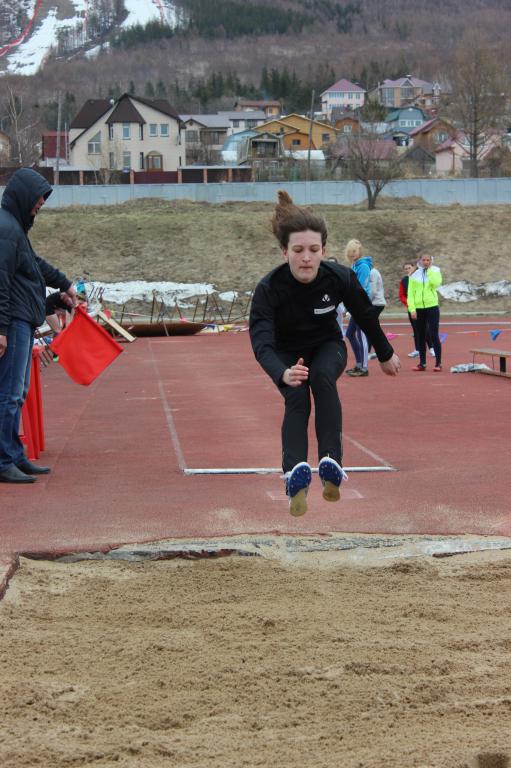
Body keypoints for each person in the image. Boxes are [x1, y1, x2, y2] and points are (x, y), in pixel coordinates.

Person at [249, 191, 400, 516]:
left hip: (327, 346)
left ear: (324, 251)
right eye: (298, 250)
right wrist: (281, 372)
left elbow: (364, 314)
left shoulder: (339, 277)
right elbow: (261, 341)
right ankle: (295, 477)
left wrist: (386, 353)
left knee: (321, 379)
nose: (306, 258)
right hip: (286, 352)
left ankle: (331, 463)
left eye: (314, 250)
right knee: (297, 396)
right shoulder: (269, 289)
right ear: (284, 251)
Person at [0, 168, 77, 484]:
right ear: (24, 197)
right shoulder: (6, 230)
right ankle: (4, 460)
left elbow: (35, 266)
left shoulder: (14, 229)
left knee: (17, 392)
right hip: (13, 321)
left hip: (21, 320)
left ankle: (14, 455)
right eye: (37, 202)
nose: (38, 208)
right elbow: (1, 283)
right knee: (10, 393)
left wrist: (64, 285)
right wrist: (1, 329)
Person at [407, 251, 443, 372]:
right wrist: (412, 309)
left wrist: (430, 270)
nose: (426, 262)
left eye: (428, 260)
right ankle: (422, 363)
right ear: (420, 261)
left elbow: (436, 283)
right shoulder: (414, 275)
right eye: (424, 260)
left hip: (432, 307)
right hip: (418, 309)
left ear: (431, 261)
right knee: (420, 335)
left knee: (434, 334)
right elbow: (410, 294)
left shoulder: (435, 271)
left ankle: (438, 363)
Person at [344, 239, 372, 377]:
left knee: (362, 336)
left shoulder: (363, 266)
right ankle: (359, 364)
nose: (352, 255)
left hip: (362, 306)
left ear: (359, 250)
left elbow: (359, 287)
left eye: (354, 252)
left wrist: (350, 306)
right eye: (350, 253)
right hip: (355, 305)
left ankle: (364, 367)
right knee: (349, 334)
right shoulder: (354, 266)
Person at [399, 261, 434, 359]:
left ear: (414, 268)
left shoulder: (420, 278)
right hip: (411, 308)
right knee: (415, 329)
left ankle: (431, 348)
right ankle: (417, 350)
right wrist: (408, 303)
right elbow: (401, 295)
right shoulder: (404, 280)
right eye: (405, 269)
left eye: (409, 268)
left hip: (421, 307)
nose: (407, 270)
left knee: (425, 328)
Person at [367, 265, 386, 359]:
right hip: (376, 303)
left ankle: (369, 352)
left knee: (371, 328)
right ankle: (379, 350)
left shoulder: (372, 272)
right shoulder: (372, 272)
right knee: (374, 328)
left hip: (376, 303)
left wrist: (366, 302)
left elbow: (373, 291)